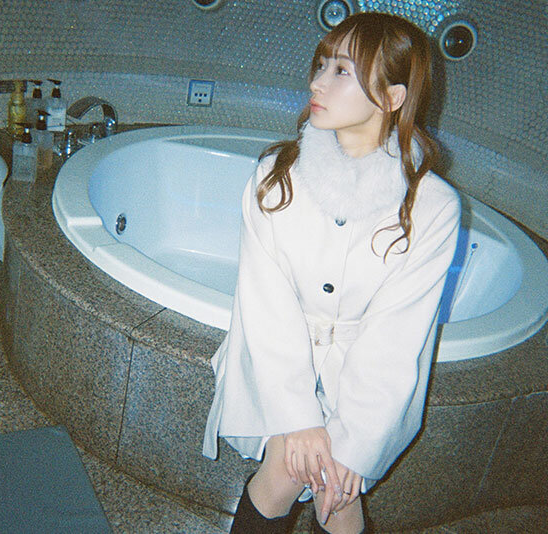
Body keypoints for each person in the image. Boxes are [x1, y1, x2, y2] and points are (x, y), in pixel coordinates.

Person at [202, 12, 462, 534]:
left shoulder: (433, 208)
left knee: (332, 484)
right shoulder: (276, 177)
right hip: (276, 362)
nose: (317, 83)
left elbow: (395, 340)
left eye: (341, 70)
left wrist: (353, 443)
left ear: (392, 97)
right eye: (321, 65)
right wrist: (298, 417)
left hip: (368, 384)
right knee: (295, 469)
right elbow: (265, 306)